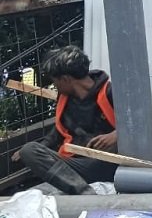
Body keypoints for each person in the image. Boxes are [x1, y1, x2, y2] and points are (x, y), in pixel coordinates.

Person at [14, 46, 122, 194]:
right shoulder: (65, 98)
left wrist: (116, 135)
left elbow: (150, 109)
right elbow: (57, 132)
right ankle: (84, 191)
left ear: (65, 79)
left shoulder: (109, 91)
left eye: (55, 81)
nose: (55, 86)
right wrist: (38, 149)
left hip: (107, 163)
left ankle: (82, 190)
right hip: (75, 165)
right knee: (29, 150)